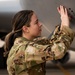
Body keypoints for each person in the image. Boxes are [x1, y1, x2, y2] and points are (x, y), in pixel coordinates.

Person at [4, 5, 75, 75]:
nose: (40, 24)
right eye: (36, 22)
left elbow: (52, 42)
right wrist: (65, 27)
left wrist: (62, 25)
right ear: (26, 29)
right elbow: (58, 51)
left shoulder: (30, 44)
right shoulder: (25, 50)